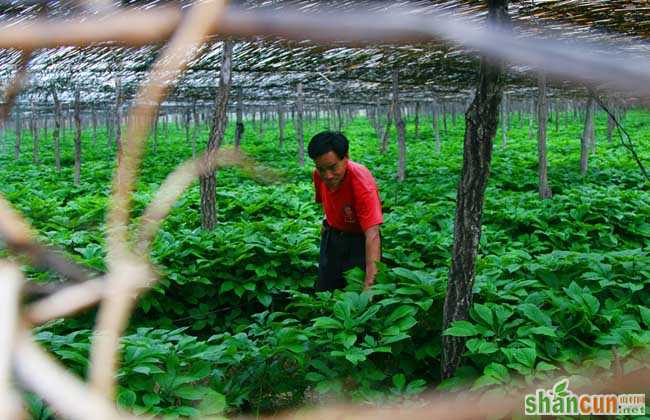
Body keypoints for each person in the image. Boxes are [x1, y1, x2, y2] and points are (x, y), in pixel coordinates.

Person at [308, 131, 383, 292]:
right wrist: (326, 223)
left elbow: (372, 234)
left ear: (346, 156)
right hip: (332, 235)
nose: (327, 175)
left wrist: (370, 285)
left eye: (333, 167)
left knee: (356, 293)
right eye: (321, 169)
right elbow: (325, 201)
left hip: (359, 242)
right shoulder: (318, 175)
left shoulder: (362, 184)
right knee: (325, 288)